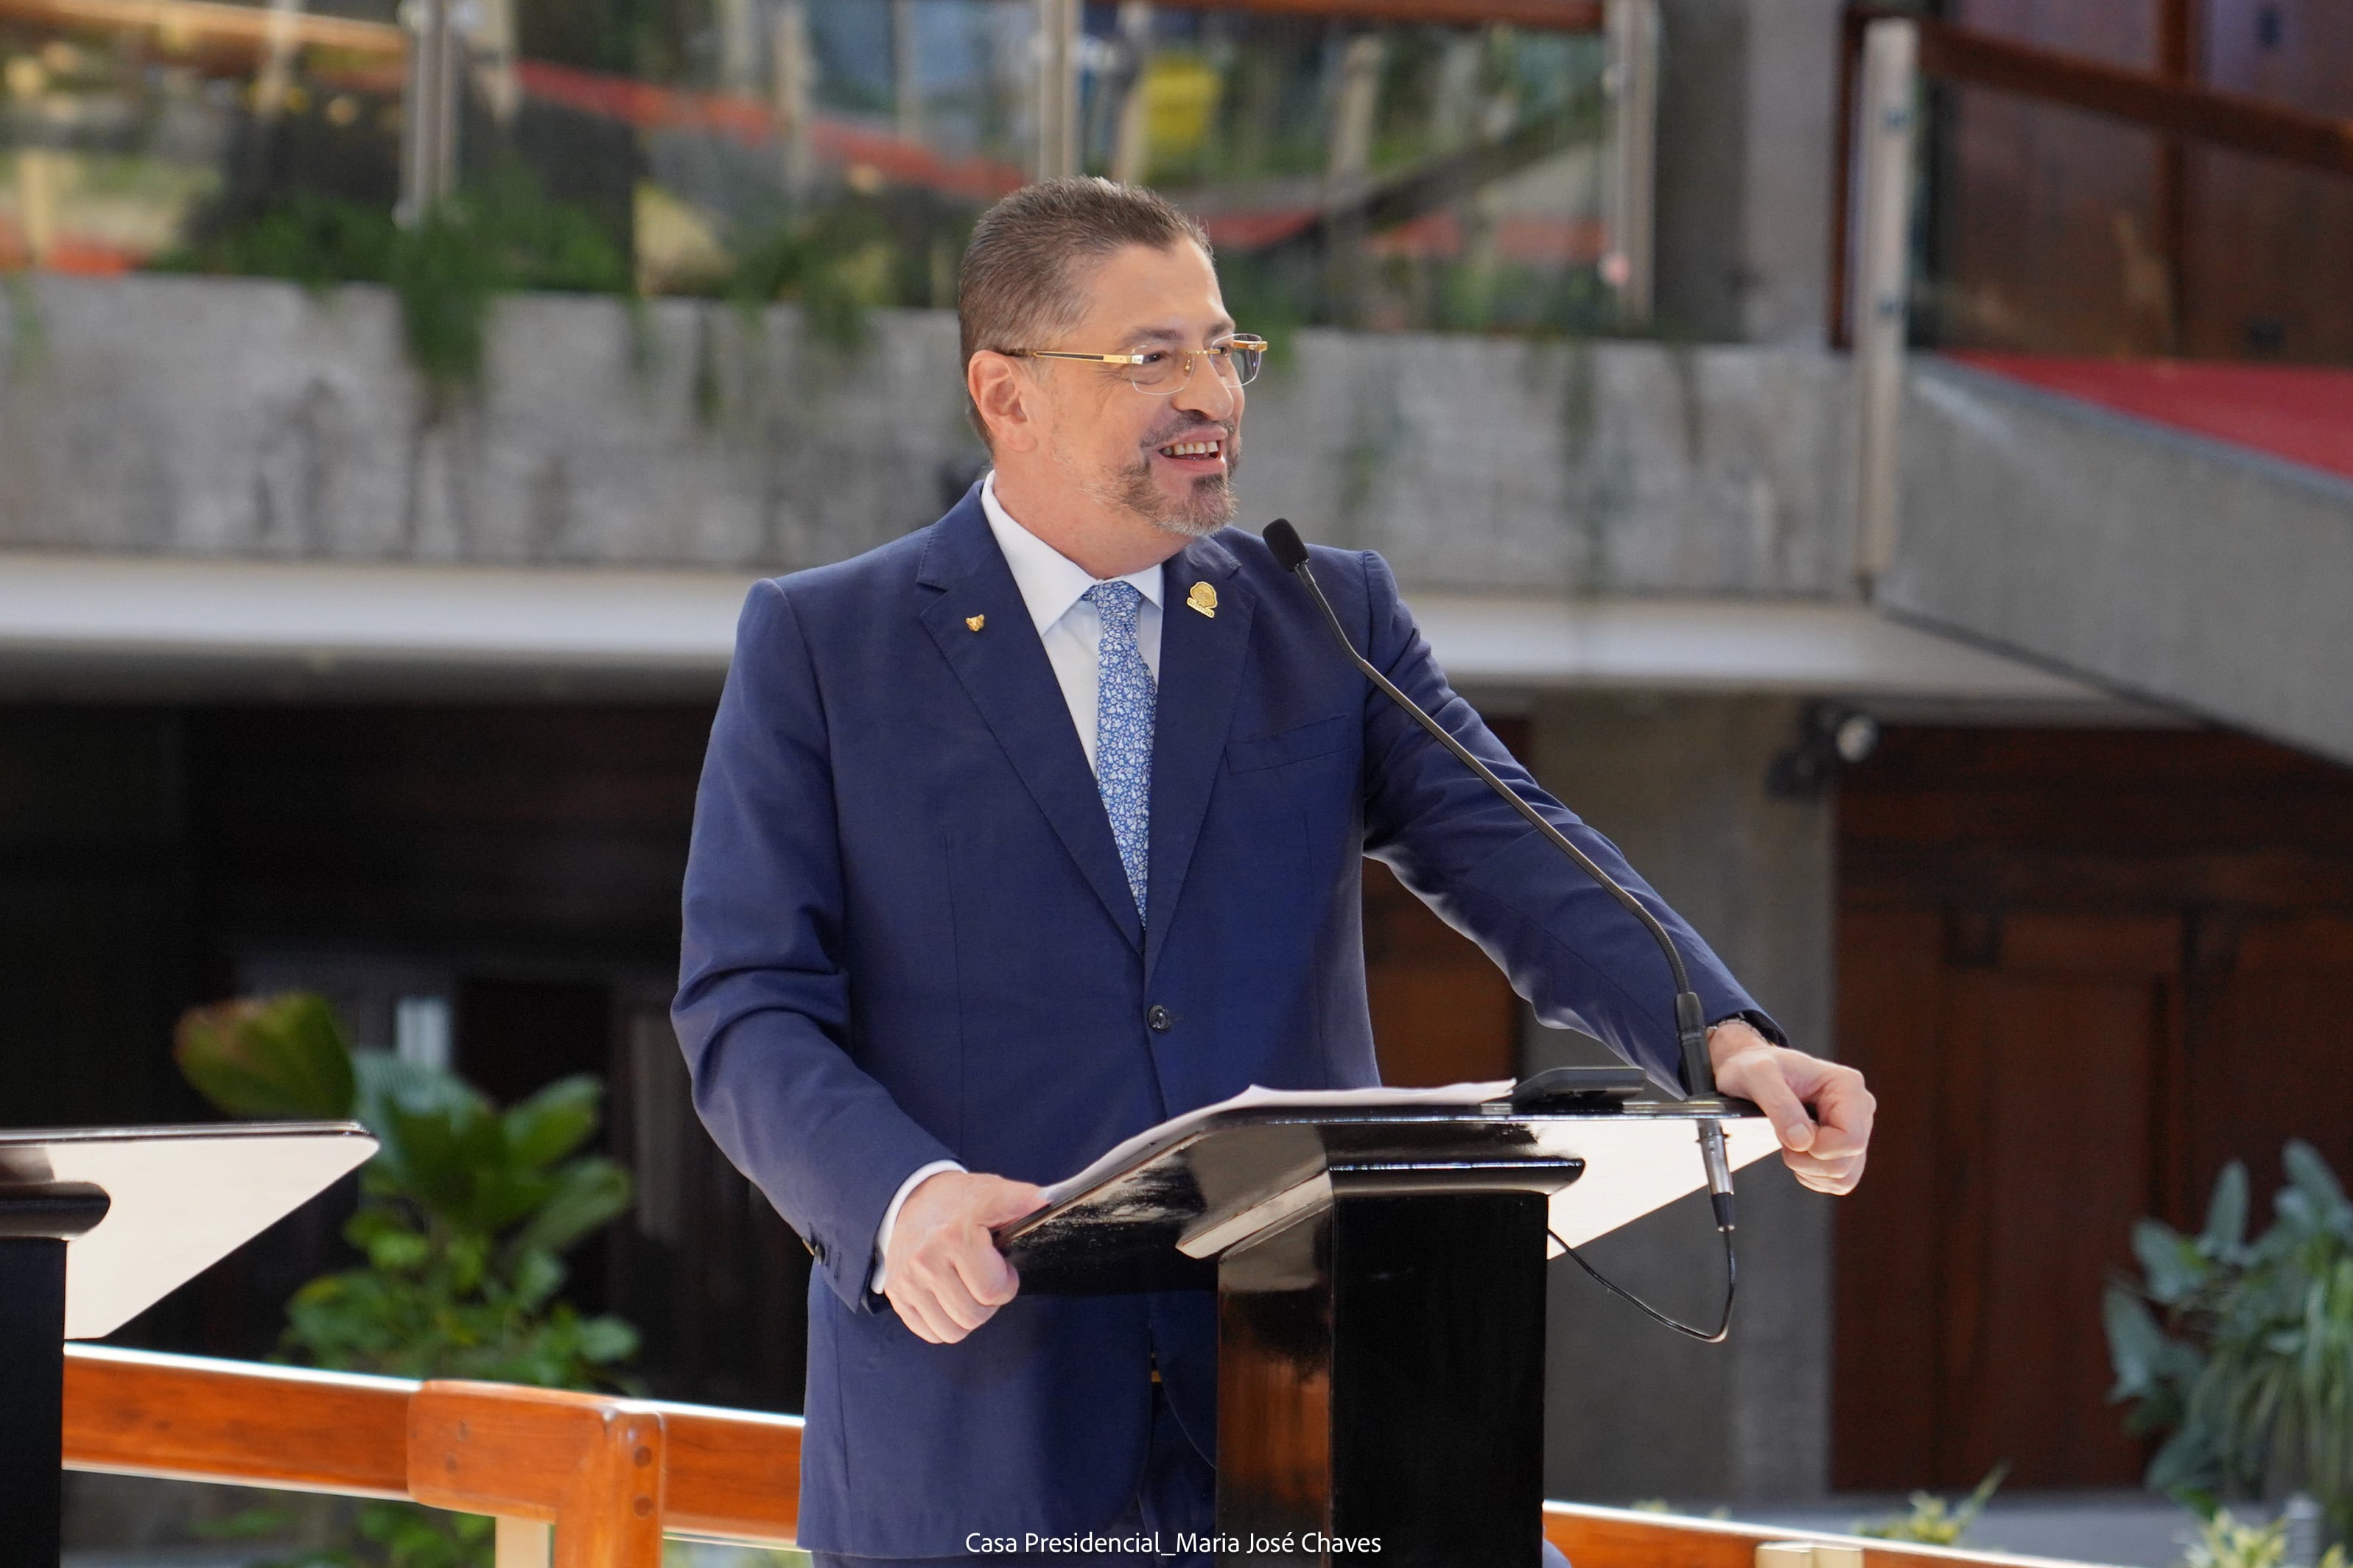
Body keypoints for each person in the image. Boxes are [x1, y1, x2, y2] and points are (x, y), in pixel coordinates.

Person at [673, 177, 1874, 1568]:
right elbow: (745, 1006)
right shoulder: (829, 647)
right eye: (1152, 358)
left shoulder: (1322, 615)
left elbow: (1511, 846)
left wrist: (1720, 1034)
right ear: (1004, 392)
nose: (1212, 394)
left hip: (1316, 1406)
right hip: (980, 1415)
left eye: (1224, 349)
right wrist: (899, 1196)